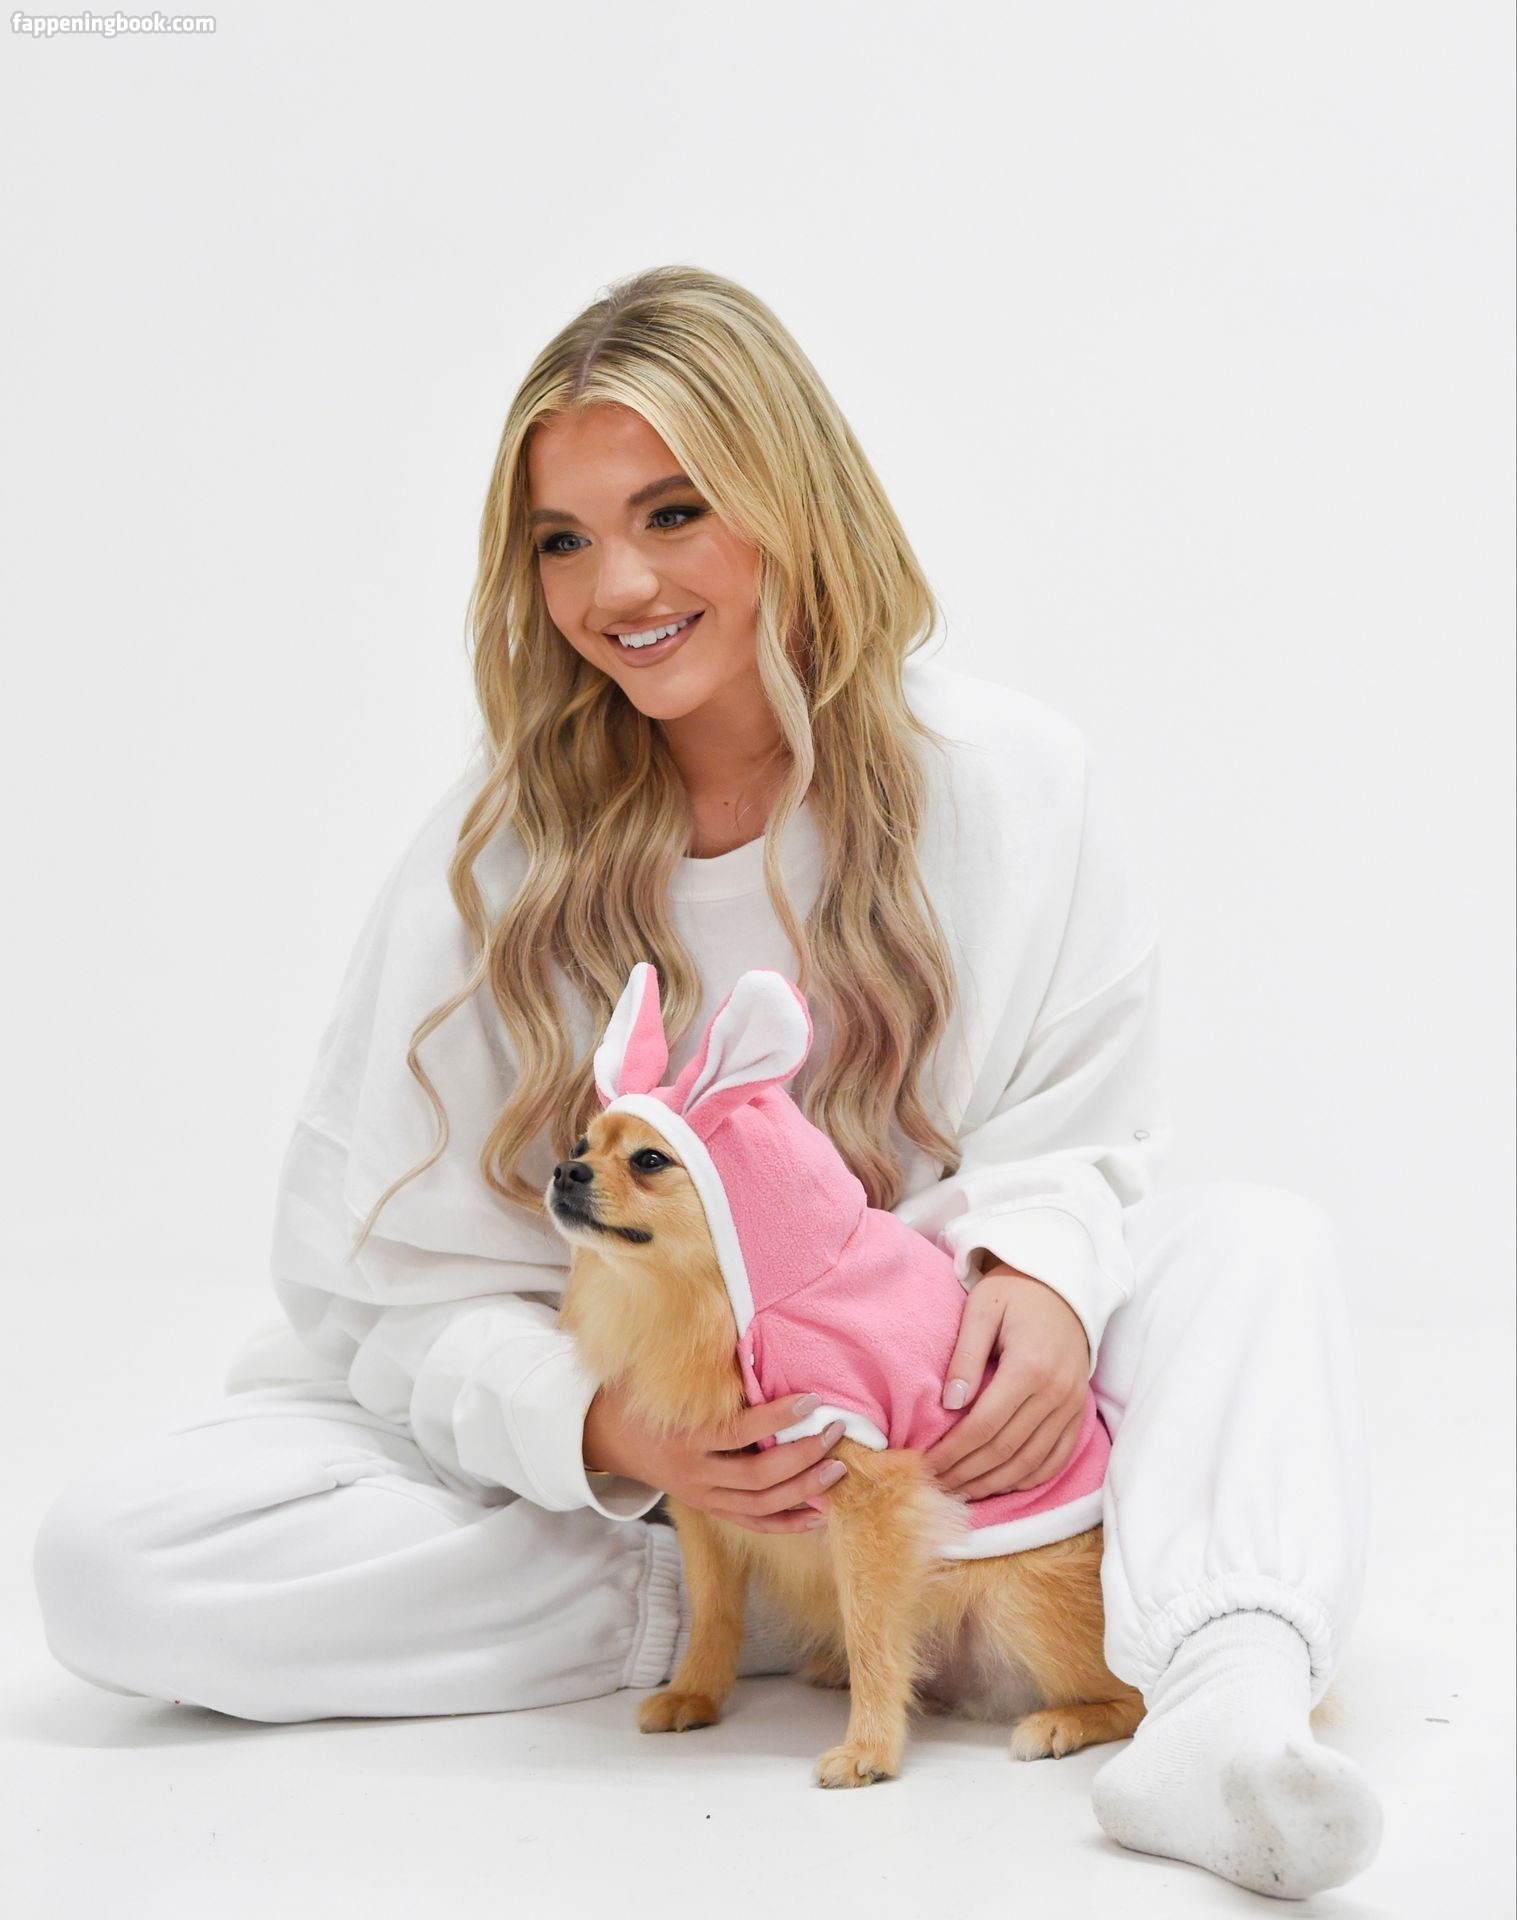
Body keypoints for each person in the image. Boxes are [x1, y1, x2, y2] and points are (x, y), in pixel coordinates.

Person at [32, 265, 1383, 1901]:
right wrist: (613, 1436)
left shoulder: (1010, 779)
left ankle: (1223, 1701)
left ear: (789, 501)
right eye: (561, 540)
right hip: (638, 1476)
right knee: (119, 1561)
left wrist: (1036, 1272)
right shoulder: (498, 850)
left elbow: (1077, 1128)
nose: (617, 585)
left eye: (671, 513)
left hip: (930, 1426)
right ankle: (746, 1604)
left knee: (1252, 1246)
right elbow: (371, 1276)